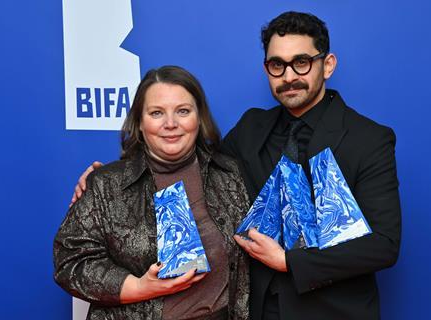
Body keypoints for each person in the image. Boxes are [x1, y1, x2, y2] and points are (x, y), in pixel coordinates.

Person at [72, 11, 401, 320]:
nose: (288, 77)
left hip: (332, 310)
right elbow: (186, 160)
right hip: (253, 309)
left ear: (327, 65)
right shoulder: (251, 129)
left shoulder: (368, 139)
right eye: (277, 65)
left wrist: (290, 262)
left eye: (301, 63)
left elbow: (383, 246)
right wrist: (106, 181)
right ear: (266, 69)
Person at [54, 66, 250, 320]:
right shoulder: (106, 184)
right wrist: (136, 287)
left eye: (183, 111)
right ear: (139, 122)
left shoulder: (229, 173)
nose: (171, 124)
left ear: (199, 119)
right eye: (157, 113)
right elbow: (70, 262)